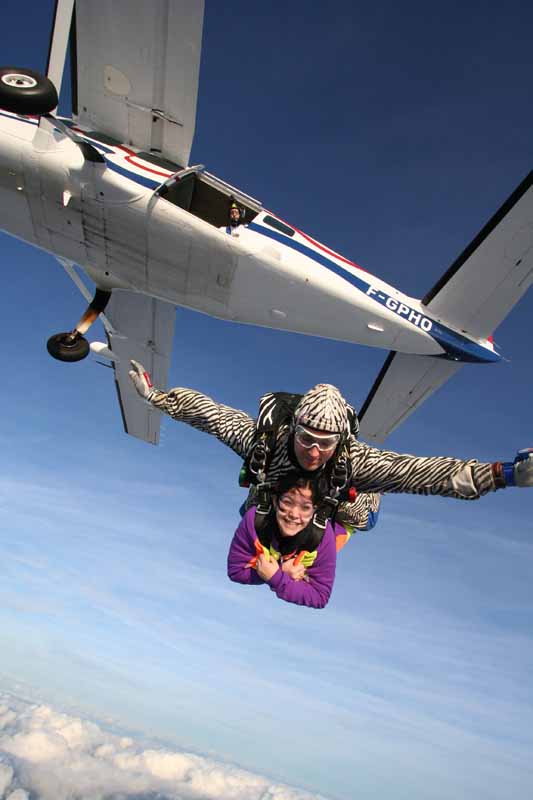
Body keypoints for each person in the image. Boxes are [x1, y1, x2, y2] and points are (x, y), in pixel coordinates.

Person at [128, 363, 533, 527]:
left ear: (340, 441)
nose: (314, 451)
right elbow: (212, 415)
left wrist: (505, 475)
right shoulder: (265, 441)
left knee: (361, 506)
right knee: (254, 511)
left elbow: (428, 475)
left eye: (326, 443)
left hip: (342, 503)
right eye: (306, 439)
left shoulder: (352, 460)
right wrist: (156, 397)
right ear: (293, 428)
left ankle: (363, 499)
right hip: (283, 495)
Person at [228, 473, 349, 609]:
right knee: (247, 509)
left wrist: (276, 576)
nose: (294, 514)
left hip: (338, 529)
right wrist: (281, 572)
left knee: (359, 516)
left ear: (315, 510)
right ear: (275, 501)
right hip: (270, 532)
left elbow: (320, 597)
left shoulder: (323, 536)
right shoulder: (254, 519)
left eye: (305, 508)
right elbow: (235, 571)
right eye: (287, 502)